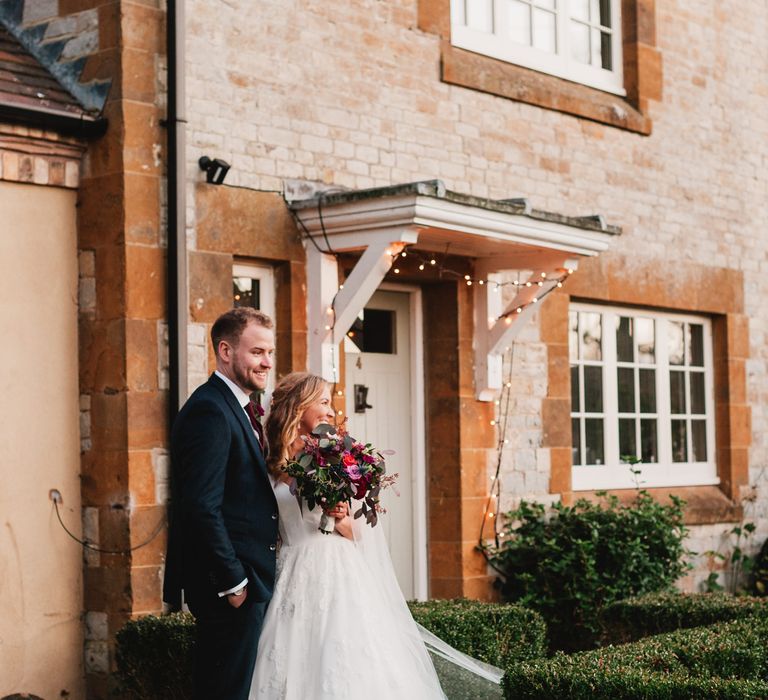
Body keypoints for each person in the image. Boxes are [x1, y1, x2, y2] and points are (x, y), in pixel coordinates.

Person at [250, 372, 500, 700]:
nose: (330, 410)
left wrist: (338, 516)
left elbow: (361, 531)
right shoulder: (270, 460)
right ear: (299, 406)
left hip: (335, 570)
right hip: (289, 573)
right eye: (323, 402)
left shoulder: (338, 453)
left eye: (330, 402)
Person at [163, 307, 278, 700]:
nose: (266, 362)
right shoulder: (210, 410)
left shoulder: (242, 408)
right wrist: (234, 582)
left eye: (269, 353)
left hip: (250, 581)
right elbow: (200, 506)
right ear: (226, 351)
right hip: (230, 586)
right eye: (257, 352)